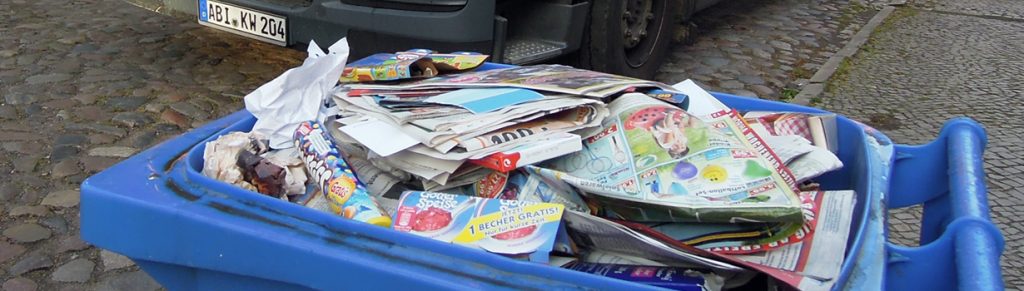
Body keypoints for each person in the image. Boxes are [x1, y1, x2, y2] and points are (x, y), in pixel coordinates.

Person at [625, 106, 701, 159]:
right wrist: (680, 122)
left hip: (660, 127)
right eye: (682, 147)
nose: (680, 145)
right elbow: (681, 129)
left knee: (669, 128)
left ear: (671, 149)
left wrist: (674, 121)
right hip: (673, 125)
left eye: (677, 148)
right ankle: (692, 114)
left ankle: (670, 113)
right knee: (693, 126)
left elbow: (670, 132)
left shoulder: (667, 144)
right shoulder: (684, 140)